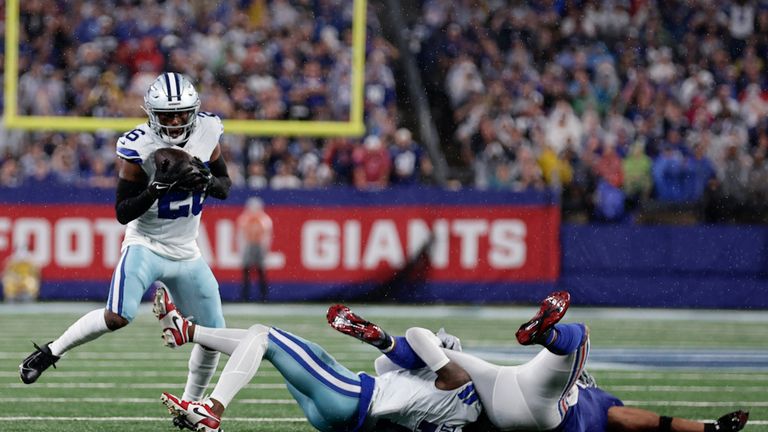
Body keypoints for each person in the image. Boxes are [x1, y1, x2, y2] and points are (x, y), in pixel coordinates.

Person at [19, 72, 232, 410]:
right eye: (167, 115)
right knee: (117, 315)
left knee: (214, 335)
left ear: (193, 111)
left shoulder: (207, 131)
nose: (175, 121)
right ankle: (51, 351)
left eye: (181, 114)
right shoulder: (140, 145)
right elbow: (123, 212)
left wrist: (204, 178)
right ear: (152, 114)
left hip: (187, 250)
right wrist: (155, 189)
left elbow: (224, 186)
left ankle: (190, 404)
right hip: (146, 243)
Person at [327, 292, 749, 432]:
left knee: (580, 337)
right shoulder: (598, 404)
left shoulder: (594, 399)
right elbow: (639, 421)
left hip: (501, 395)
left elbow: (631, 419)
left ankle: (383, 341)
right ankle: (545, 334)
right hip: (522, 409)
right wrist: (706, 427)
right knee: (440, 356)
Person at [152, 285, 481, 432]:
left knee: (264, 336)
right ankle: (187, 331)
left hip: (354, 396)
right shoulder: (462, 417)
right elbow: (391, 369)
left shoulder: (462, 385)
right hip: (345, 419)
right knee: (265, 345)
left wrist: (439, 345)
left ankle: (212, 410)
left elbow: (416, 339)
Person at [236, 196, 273, 301]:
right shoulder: (245, 219)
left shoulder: (264, 219)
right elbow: (240, 236)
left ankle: (263, 296)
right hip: (249, 245)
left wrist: (265, 250)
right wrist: (241, 250)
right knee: (247, 271)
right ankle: (246, 296)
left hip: (259, 246)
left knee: (260, 271)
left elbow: (267, 237)